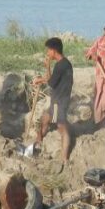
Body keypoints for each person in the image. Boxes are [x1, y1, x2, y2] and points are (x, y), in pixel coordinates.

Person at [34, 37, 73, 165]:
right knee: (44, 119)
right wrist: (45, 71)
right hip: (59, 101)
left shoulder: (61, 66)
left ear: (54, 50)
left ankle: (64, 159)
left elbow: (51, 82)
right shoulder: (64, 63)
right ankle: (39, 142)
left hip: (58, 103)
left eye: (48, 50)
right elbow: (53, 79)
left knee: (62, 128)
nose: (47, 53)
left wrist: (43, 74)